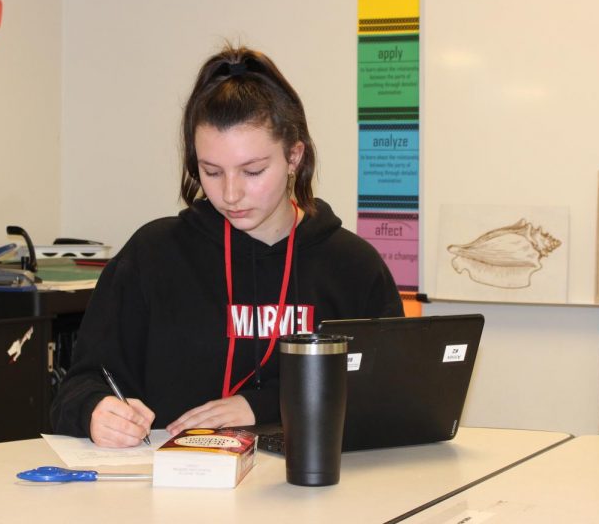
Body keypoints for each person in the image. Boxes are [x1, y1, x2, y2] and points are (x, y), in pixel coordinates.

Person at [50, 45, 404, 447]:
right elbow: (78, 388)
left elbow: (391, 394)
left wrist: (265, 405)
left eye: (253, 171)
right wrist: (95, 411)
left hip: (311, 497)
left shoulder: (352, 266)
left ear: (294, 156)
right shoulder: (154, 255)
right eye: (211, 171)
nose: (231, 194)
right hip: (178, 499)